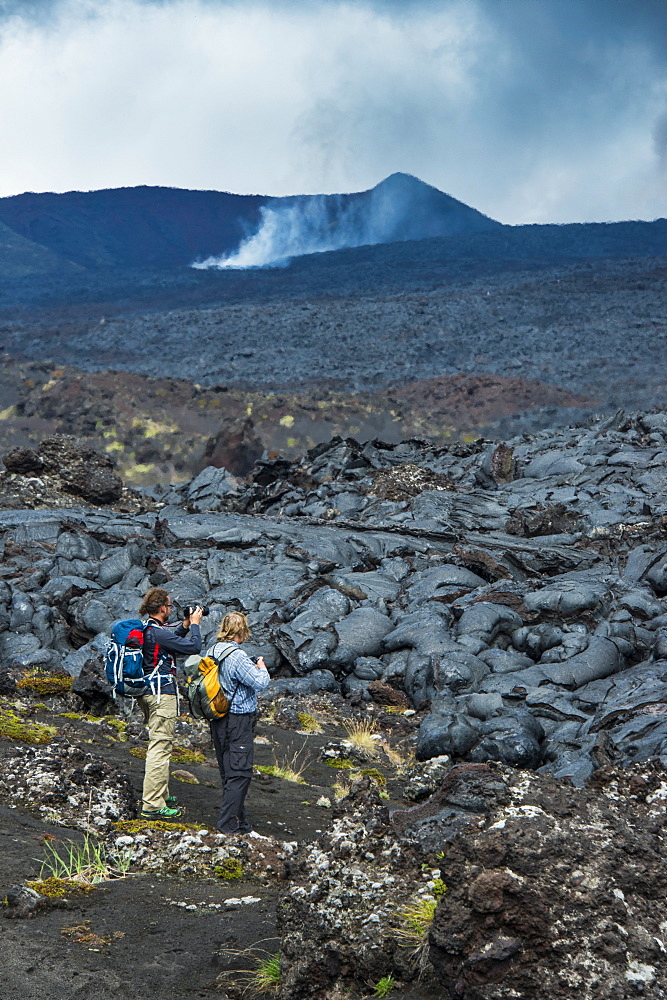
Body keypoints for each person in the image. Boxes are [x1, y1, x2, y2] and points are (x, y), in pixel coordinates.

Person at [137, 587, 203, 820]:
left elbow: (170, 640)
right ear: (163, 608)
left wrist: (184, 625)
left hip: (147, 692)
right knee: (160, 747)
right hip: (161, 694)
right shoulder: (159, 633)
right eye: (169, 605)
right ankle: (153, 805)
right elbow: (194, 648)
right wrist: (195, 624)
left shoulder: (149, 629)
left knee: (159, 743)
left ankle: (160, 794)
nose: (171, 608)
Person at [208, 612, 270, 834]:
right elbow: (259, 682)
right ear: (242, 630)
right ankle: (228, 825)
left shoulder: (212, 650)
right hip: (238, 719)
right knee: (240, 772)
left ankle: (240, 822)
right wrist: (261, 666)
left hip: (217, 717)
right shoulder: (237, 656)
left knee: (228, 770)